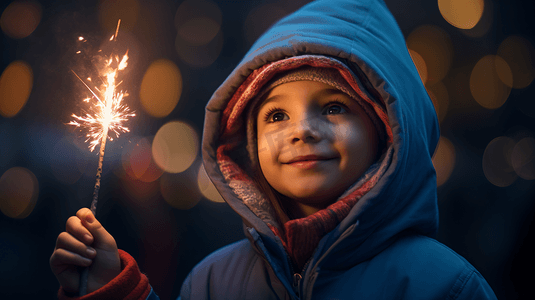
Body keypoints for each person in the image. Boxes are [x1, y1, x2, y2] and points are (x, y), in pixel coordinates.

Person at [50, 0, 498, 299]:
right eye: (276, 116)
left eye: (334, 107)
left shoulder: (443, 286)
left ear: (387, 128)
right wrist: (111, 290)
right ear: (247, 145)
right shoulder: (212, 281)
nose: (302, 131)